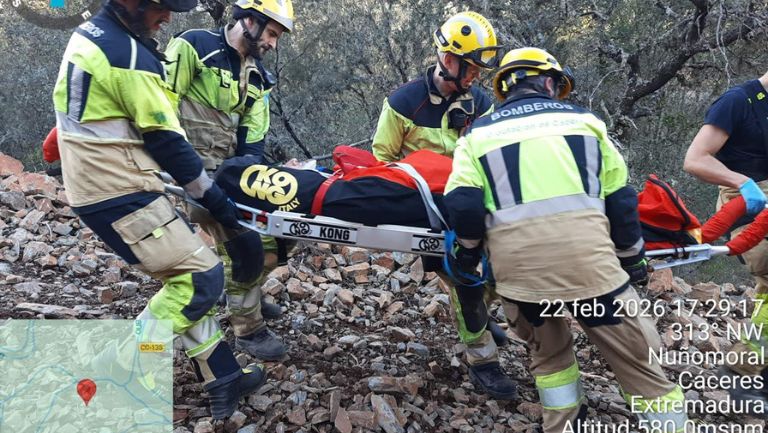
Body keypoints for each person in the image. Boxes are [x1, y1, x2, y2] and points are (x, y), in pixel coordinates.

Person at [444, 47, 689, 431]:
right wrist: (632, 260)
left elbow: (463, 203)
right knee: (641, 366)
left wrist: (467, 254)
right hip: (593, 275)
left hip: (522, 281)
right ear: (549, 82)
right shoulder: (586, 123)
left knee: (551, 363)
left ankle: (564, 423)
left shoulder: (477, 135)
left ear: (506, 89)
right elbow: (621, 200)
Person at [52, 0, 267, 419]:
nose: (167, 16)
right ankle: (123, 364)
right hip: (117, 189)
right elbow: (168, 142)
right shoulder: (130, 56)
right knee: (202, 279)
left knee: (186, 274)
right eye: (161, 6)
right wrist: (215, 201)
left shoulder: (94, 35)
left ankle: (223, 376)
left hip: (98, 183)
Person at [370, 11, 517, 400]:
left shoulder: (480, 103)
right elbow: (382, 160)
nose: (476, 77)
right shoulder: (404, 103)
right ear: (448, 59)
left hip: (470, 201)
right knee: (464, 275)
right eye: (471, 68)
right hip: (425, 207)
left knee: (506, 261)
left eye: (479, 71)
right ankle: (482, 360)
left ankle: (478, 315)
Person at [164, 0, 296, 360]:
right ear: (250, 20)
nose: (273, 44)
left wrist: (250, 180)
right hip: (190, 172)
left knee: (283, 231)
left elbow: (253, 137)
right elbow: (162, 109)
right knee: (246, 245)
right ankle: (248, 329)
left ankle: (243, 291)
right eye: (271, 33)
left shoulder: (258, 77)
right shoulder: (194, 46)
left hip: (229, 174)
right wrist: (182, 170)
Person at [683, 71, 768, 413]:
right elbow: (695, 159)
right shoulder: (738, 101)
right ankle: (741, 371)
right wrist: (743, 182)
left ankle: (755, 372)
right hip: (748, 205)